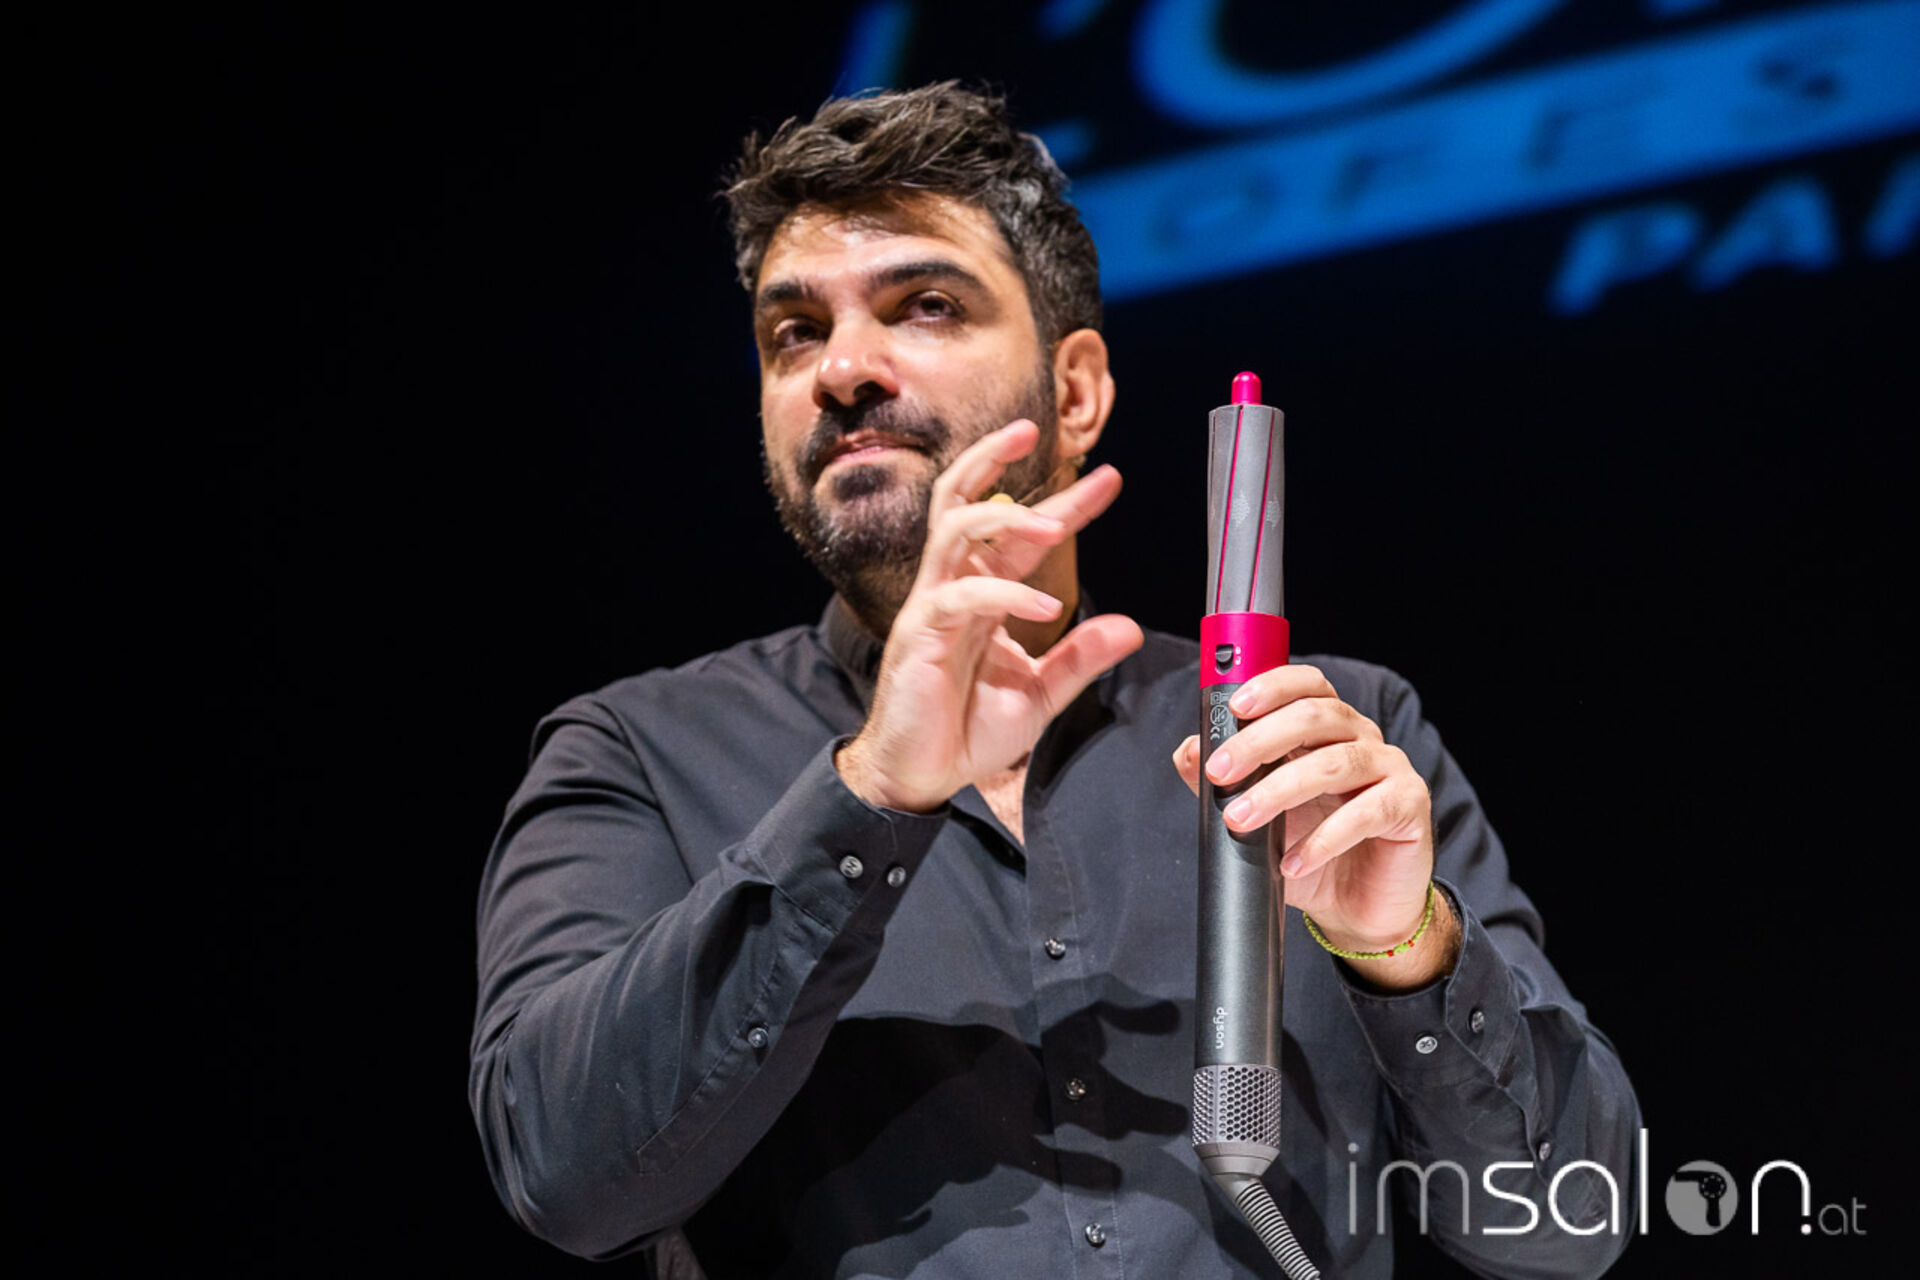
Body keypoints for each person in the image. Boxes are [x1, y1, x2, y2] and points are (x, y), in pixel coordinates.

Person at [470, 82, 1639, 1278]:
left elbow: (1570, 1226)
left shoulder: (1334, 739)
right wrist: (868, 794)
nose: (843, 368)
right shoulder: (635, 752)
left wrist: (1409, 950)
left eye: (925, 305)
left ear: (1075, 392)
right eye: (795, 332)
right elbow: (564, 1176)